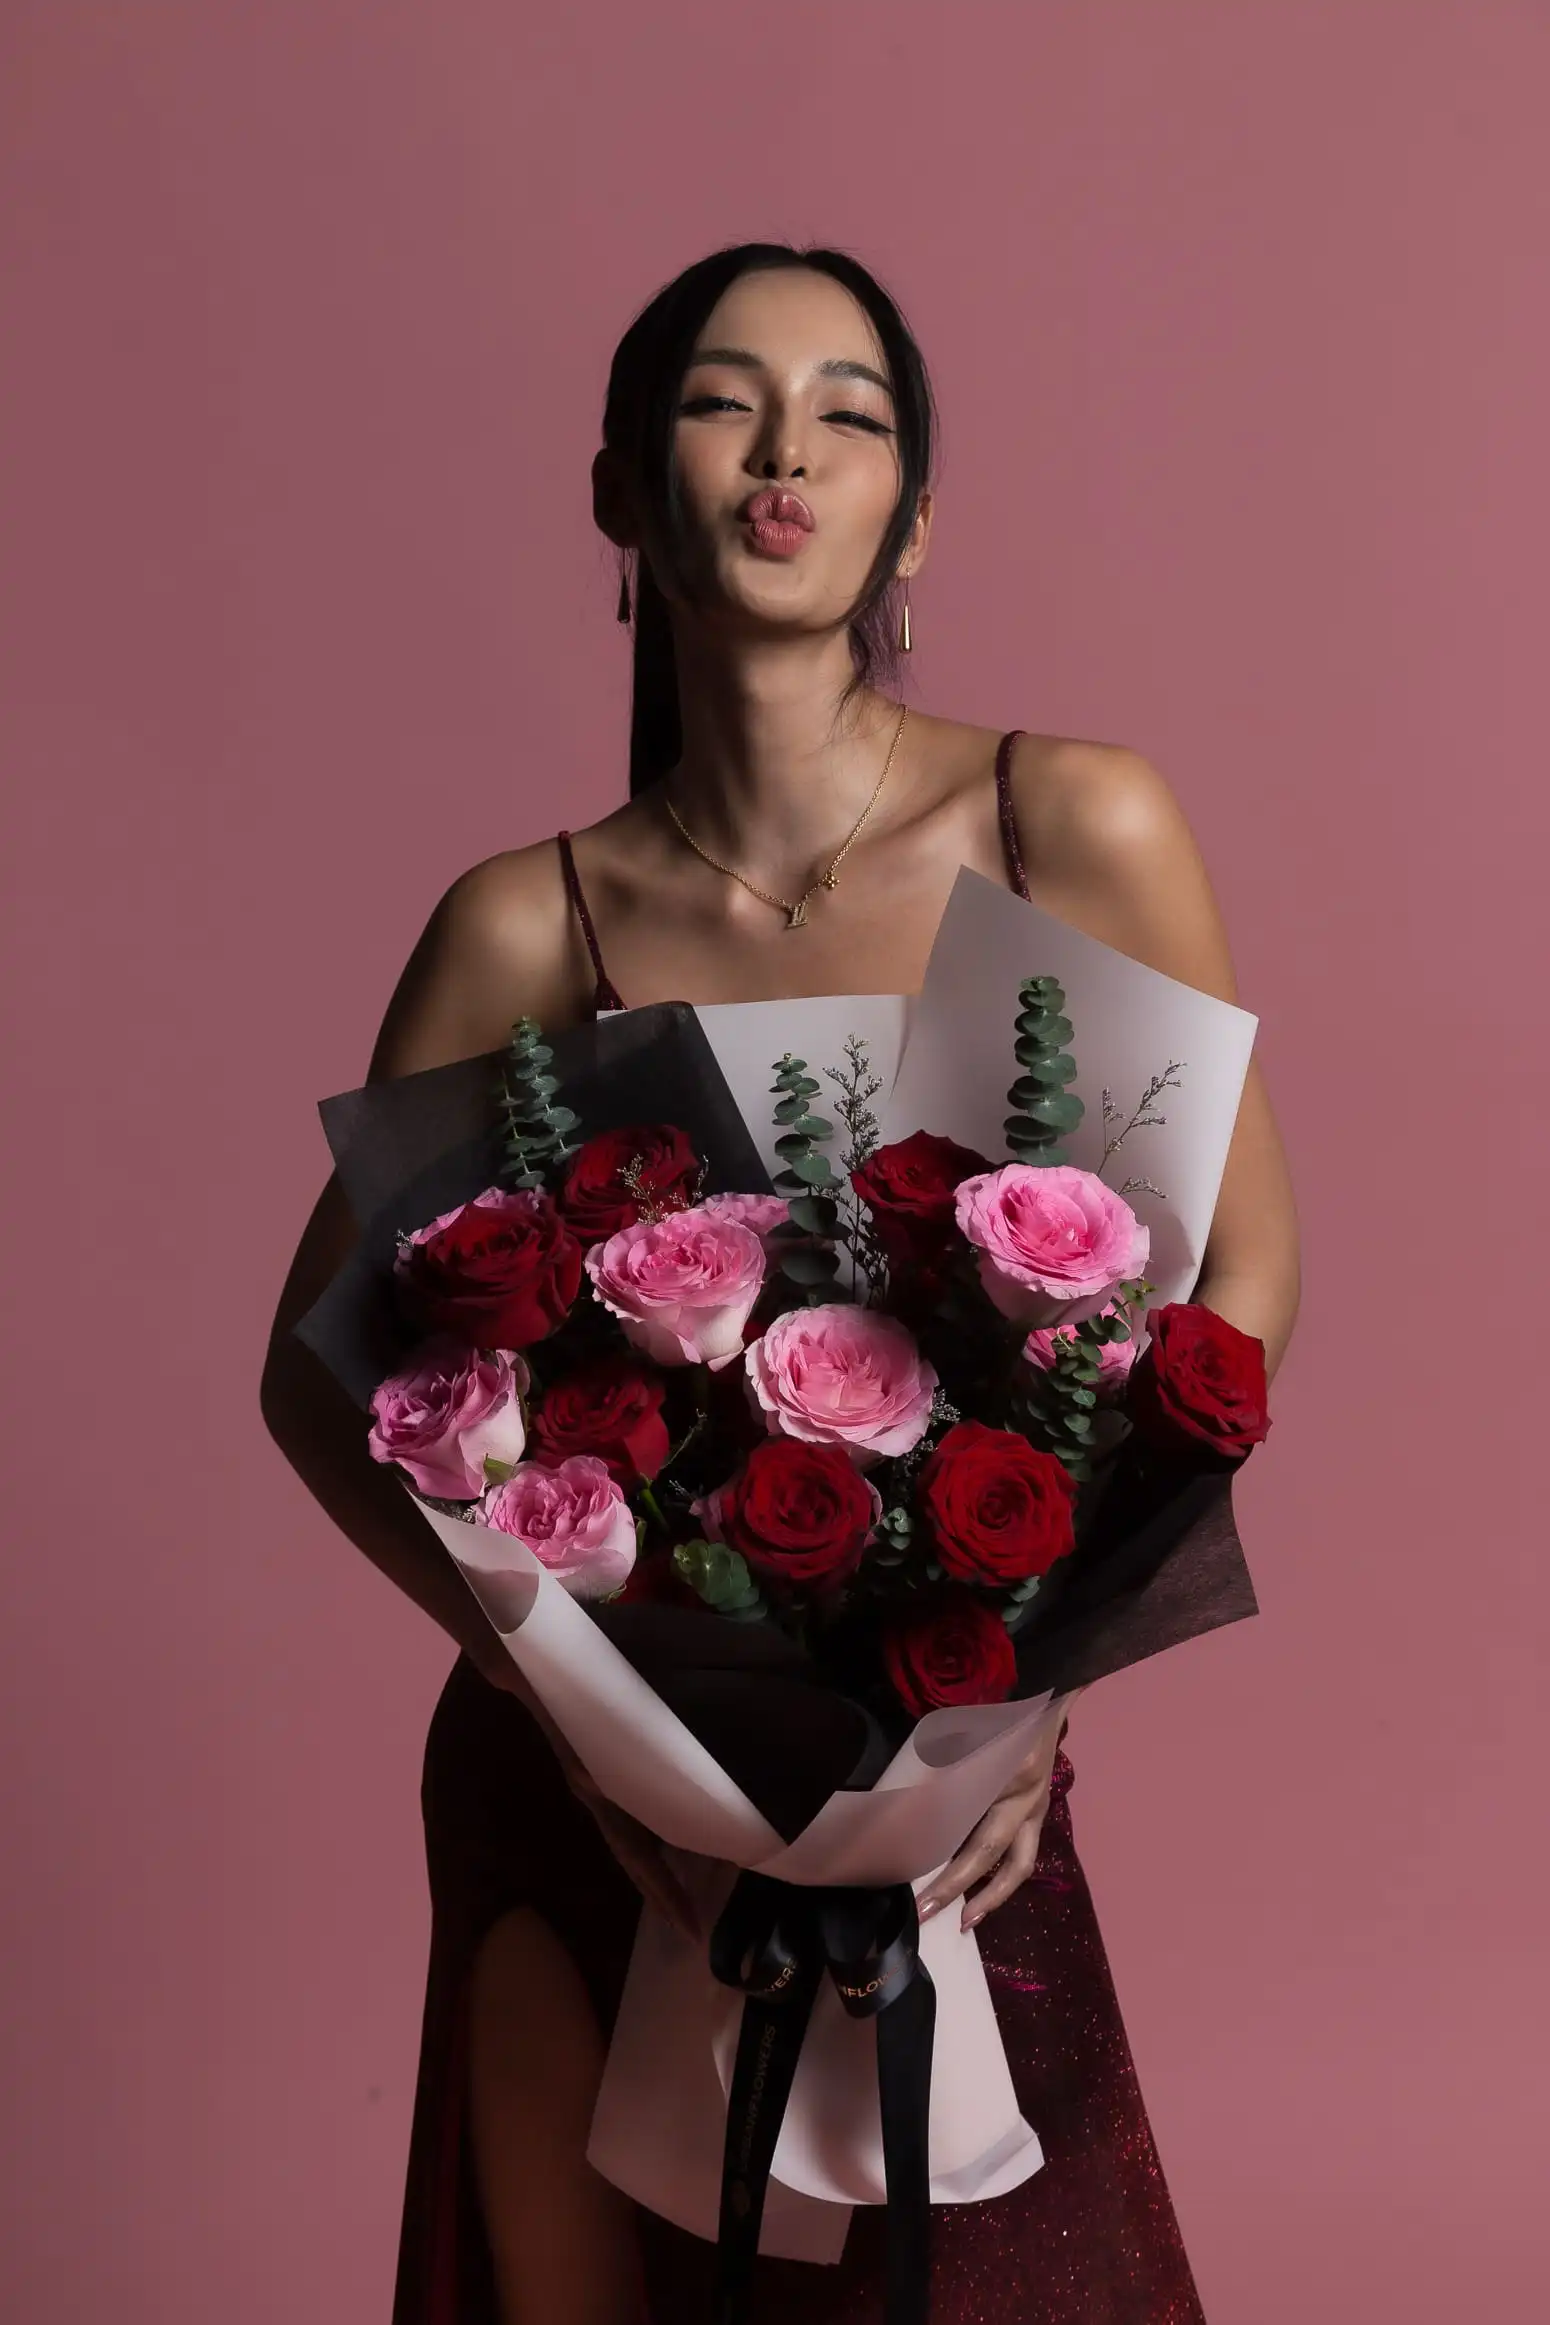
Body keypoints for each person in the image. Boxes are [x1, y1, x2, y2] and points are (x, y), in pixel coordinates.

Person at [261, 241, 1300, 2325]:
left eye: (851, 412)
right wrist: (563, 1720)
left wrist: (1031, 1694)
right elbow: (320, 1385)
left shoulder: (1062, 813)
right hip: (607, 1819)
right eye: (725, 402)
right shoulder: (528, 919)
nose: (786, 452)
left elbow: (1239, 1275)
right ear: (623, 487)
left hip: (936, 1782)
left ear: (911, 507)